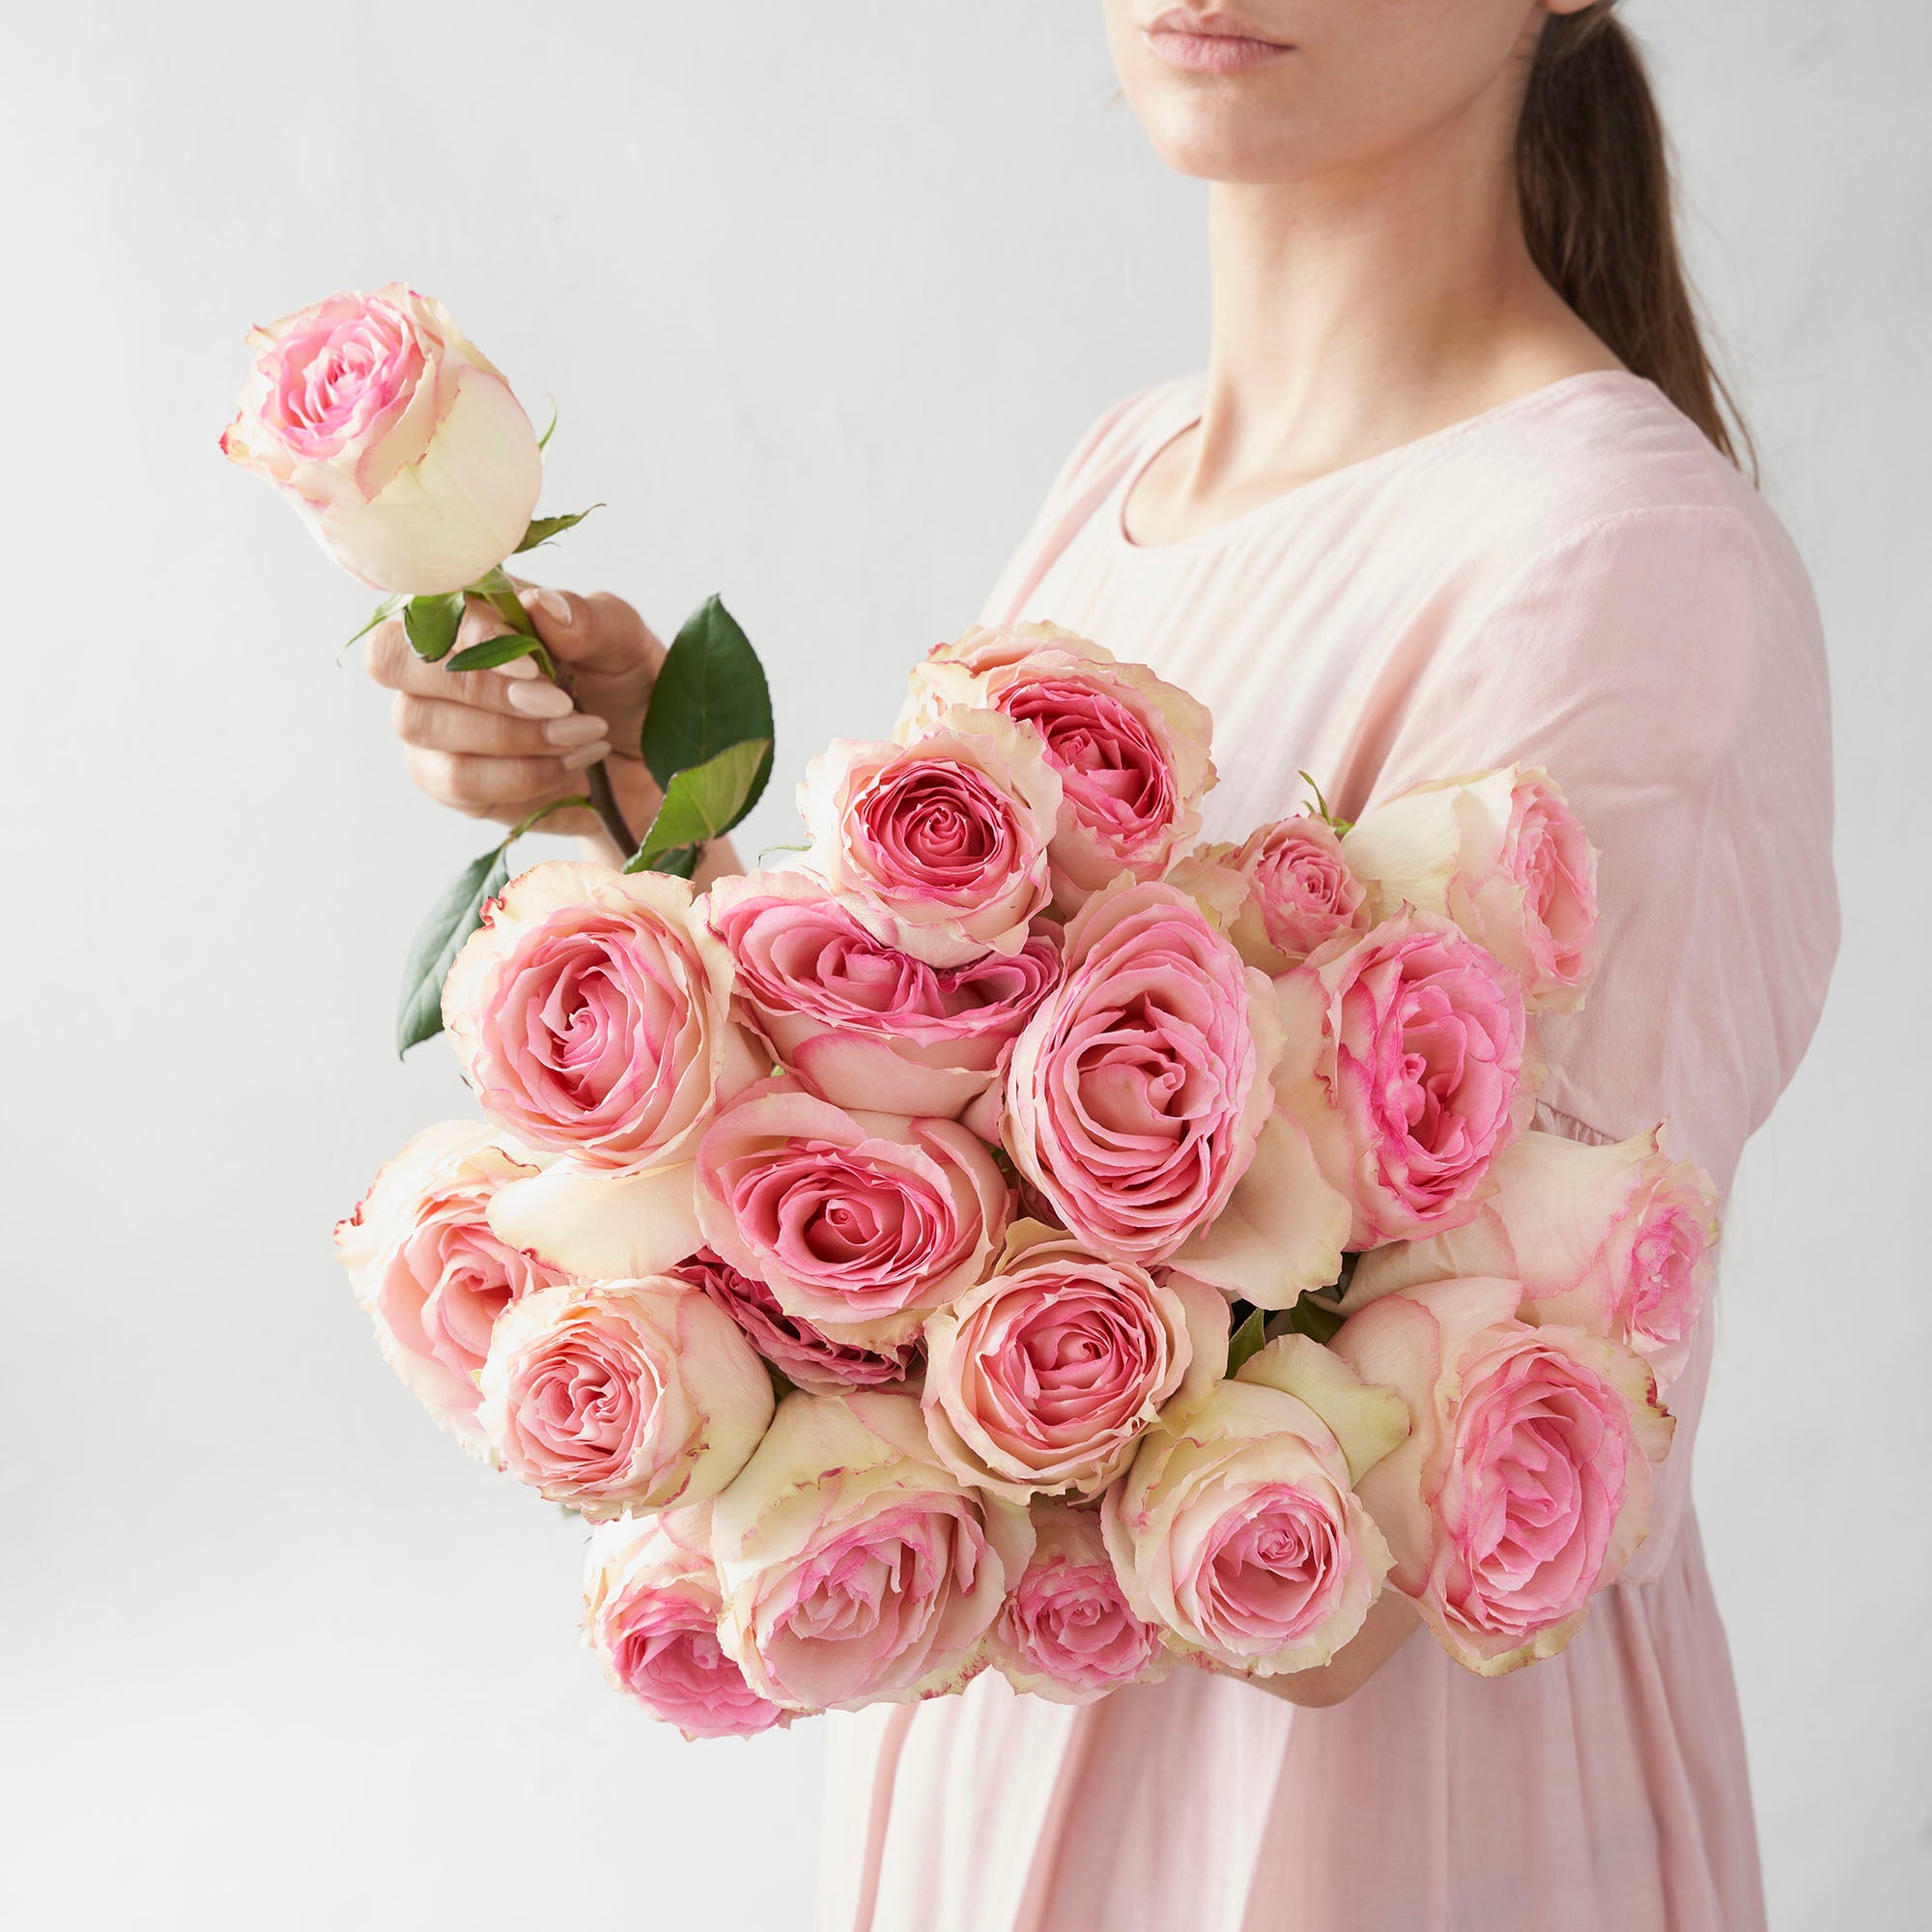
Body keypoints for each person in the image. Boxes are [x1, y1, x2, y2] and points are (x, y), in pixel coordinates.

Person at [362, 4, 1838, 1926]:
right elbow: (1020, 1180)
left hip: (1368, 1840)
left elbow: (1371, 1582)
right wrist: (672, 844)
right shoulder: (1127, 474)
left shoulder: (1617, 563)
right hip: (1011, 1788)